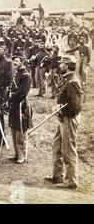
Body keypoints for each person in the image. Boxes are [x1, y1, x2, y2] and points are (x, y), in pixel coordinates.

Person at [44, 55, 83, 189]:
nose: (59, 65)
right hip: (63, 118)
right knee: (57, 147)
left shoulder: (73, 81)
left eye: (62, 64)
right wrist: (60, 107)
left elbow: (75, 107)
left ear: (67, 65)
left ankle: (71, 180)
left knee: (68, 150)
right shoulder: (66, 78)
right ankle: (57, 176)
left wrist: (60, 109)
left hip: (69, 119)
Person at [8, 52, 33, 164]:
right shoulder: (15, 74)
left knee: (21, 131)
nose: (14, 62)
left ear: (22, 62)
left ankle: (22, 155)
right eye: (14, 60)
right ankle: (16, 153)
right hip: (14, 104)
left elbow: (22, 92)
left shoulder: (26, 76)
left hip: (21, 105)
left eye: (17, 60)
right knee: (14, 128)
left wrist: (12, 97)